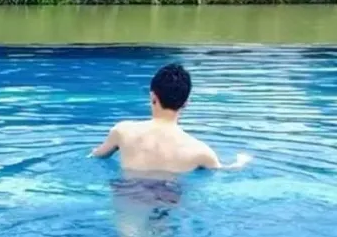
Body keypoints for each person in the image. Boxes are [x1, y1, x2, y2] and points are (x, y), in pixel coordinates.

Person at [90, 63, 250, 173]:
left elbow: (96, 156)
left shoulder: (123, 131)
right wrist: (241, 162)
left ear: (153, 96)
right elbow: (224, 171)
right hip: (169, 196)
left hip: (128, 194)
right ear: (186, 103)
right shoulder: (201, 152)